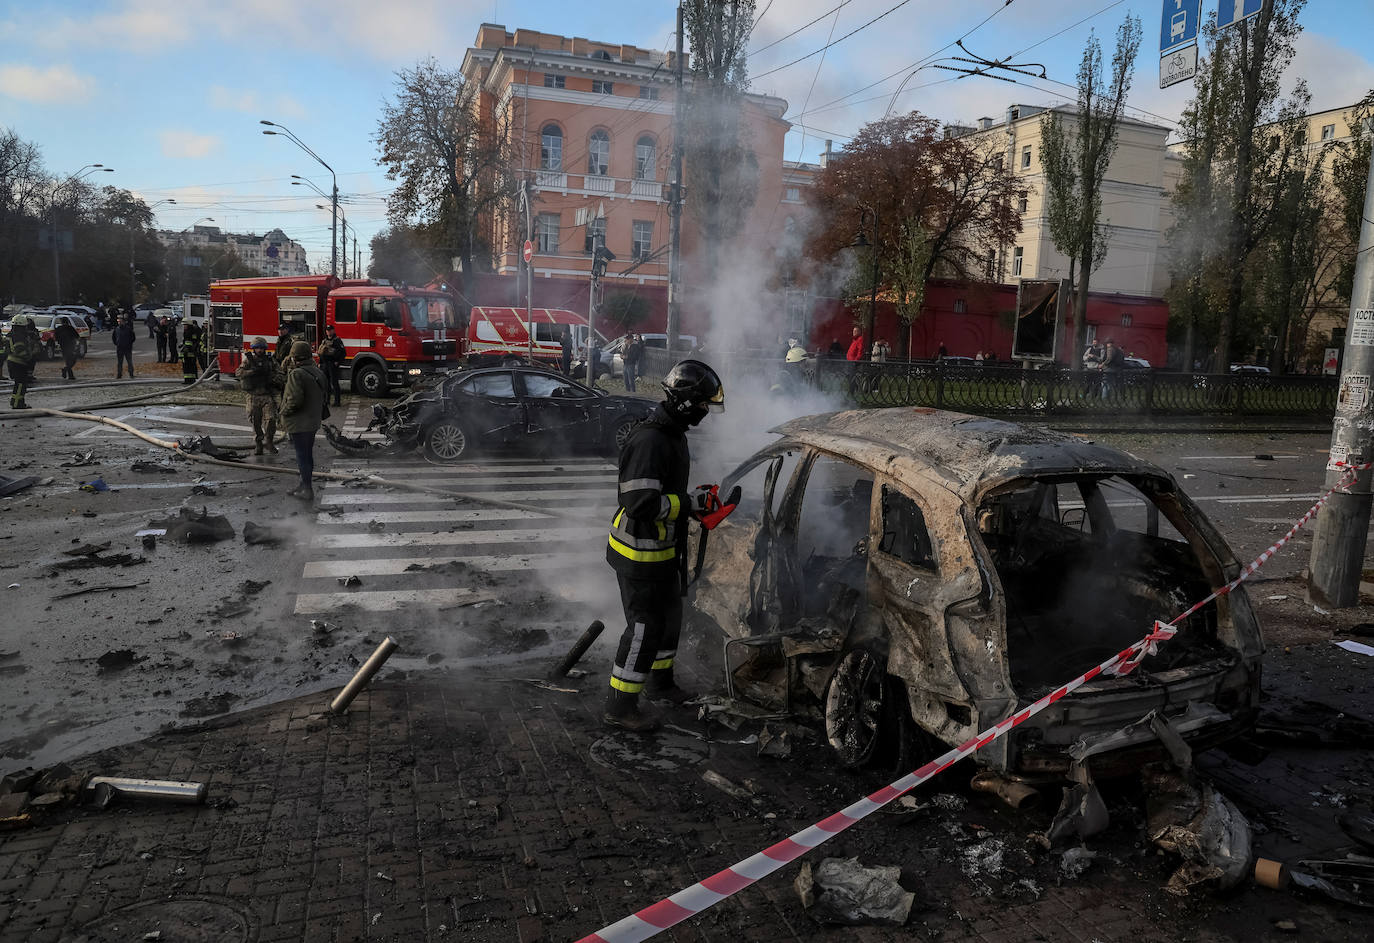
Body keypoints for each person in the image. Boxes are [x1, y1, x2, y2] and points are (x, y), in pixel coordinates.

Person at [604, 359, 725, 732]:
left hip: (660, 551)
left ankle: (661, 684)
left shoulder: (672, 433)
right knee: (644, 627)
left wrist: (692, 499)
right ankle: (621, 707)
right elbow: (639, 503)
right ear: (687, 401)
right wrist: (688, 504)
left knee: (670, 620)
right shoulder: (651, 440)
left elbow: (664, 493)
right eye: (703, 403)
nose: (706, 411)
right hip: (637, 554)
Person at [279, 340, 328, 501]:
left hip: (299, 423)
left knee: (302, 456)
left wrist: (283, 413)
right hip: (313, 422)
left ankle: (307, 489)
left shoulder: (297, 374)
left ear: (295, 357)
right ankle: (303, 484)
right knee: (307, 455)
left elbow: (294, 401)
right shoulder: (317, 371)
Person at [236, 337, 283, 456]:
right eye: (257, 348)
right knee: (255, 422)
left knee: (271, 419)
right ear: (254, 349)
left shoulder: (270, 360)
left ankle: (269, 442)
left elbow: (280, 373)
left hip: (267, 395)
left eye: (262, 348)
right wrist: (252, 372)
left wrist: (273, 379)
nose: (260, 350)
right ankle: (258, 444)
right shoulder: (248, 361)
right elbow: (238, 373)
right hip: (253, 396)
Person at [4, 314, 39, 409]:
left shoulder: (11, 334)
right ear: (21, 326)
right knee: (20, 384)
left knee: (19, 384)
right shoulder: (19, 336)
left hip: (12, 362)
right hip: (18, 363)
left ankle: (15, 402)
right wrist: (29, 357)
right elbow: (20, 350)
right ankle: (17, 404)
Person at [316, 324, 346, 407]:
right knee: (326, 383)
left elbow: (343, 353)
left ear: (333, 330)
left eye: (330, 330)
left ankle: (337, 401)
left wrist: (338, 362)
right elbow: (321, 353)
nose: (329, 332)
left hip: (333, 364)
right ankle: (326, 400)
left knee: (334, 383)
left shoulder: (337, 341)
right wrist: (320, 363)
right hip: (325, 365)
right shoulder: (324, 341)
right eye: (327, 330)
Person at [54, 316, 79, 381]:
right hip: (70, 346)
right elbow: (77, 336)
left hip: (63, 346)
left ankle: (70, 374)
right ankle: (67, 370)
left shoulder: (59, 328)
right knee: (73, 360)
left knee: (68, 361)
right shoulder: (70, 328)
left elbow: (56, 337)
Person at [113, 315, 136, 379]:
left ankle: (131, 373)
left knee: (129, 361)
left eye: (120, 321)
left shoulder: (128, 329)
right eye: (118, 322)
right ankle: (119, 374)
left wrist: (129, 344)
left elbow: (133, 337)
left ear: (124, 322)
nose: (119, 323)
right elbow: (114, 337)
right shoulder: (117, 329)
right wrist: (117, 343)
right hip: (119, 348)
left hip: (127, 348)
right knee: (120, 362)